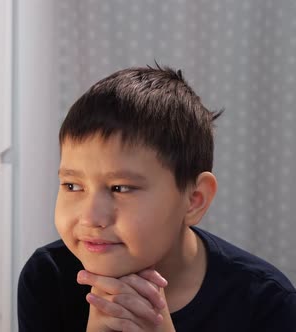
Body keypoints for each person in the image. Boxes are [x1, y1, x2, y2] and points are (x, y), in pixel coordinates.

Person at [18, 64, 296, 331]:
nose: (91, 217)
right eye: (72, 186)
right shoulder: (46, 278)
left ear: (194, 199)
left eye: (120, 188)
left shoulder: (267, 303)